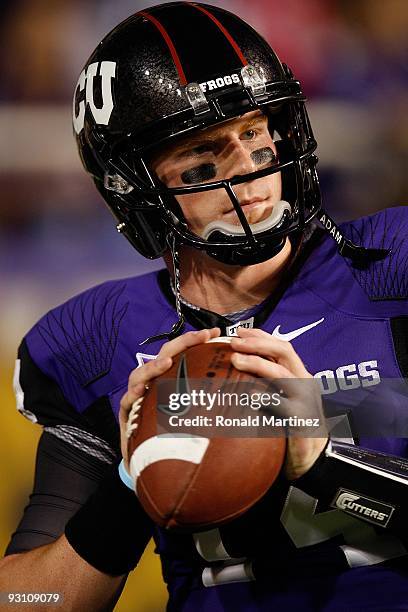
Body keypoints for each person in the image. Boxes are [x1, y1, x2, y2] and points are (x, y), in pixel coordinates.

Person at [1, 3, 408, 610]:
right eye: (204, 157)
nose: (249, 170)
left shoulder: (390, 267)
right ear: (135, 186)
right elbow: (31, 604)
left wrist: (327, 467)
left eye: (254, 132)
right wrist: (134, 475)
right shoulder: (98, 338)